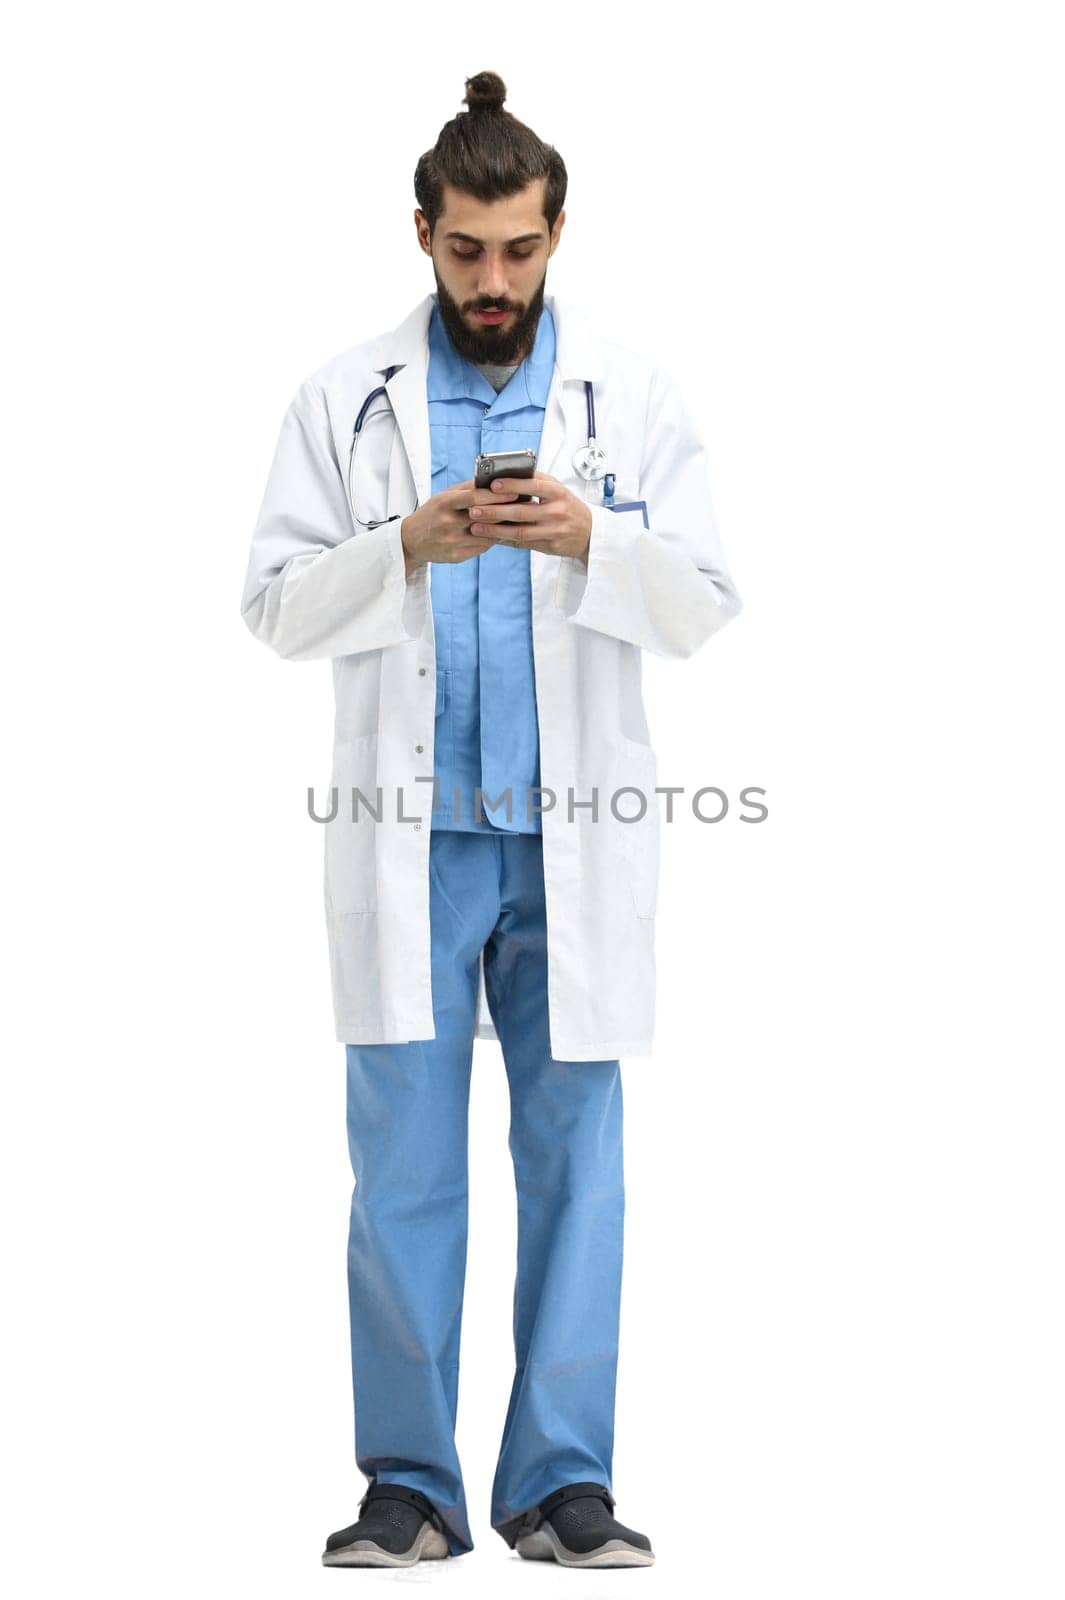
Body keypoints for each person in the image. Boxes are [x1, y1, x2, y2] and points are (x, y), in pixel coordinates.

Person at [239, 69, 742, 1569]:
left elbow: (708, 603)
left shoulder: (630, 398)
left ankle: (557, 1483)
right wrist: (406, 540)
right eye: (467, 252)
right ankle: (411, 1485)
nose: (494, 283)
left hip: (572, 838)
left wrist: (595, 535)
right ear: (423, 234)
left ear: (556, 233)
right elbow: (270, 606)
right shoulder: (345, 399)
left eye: (519, 251)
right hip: (410, 838)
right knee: (401, 1170)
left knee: (579, 1161)